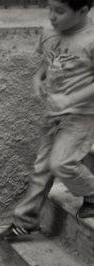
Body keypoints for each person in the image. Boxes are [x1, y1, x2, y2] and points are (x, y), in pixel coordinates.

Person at [5, 0, 94, 237]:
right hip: (52, 114)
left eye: (60, 11)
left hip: (81, 116)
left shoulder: (91, 39)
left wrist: (70, 100)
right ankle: (26, 220)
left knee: (61, 164)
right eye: (50, 9)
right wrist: (38, 80)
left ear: (83, 11)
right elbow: (46, 63)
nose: (52, 16)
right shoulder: (49, 33)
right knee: (41, 169)